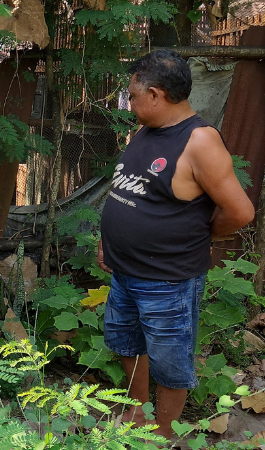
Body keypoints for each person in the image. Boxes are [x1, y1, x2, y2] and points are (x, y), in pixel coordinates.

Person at [98, 50, 254, 440]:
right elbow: (128, 191)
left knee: (171, 362)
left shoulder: (199, 141)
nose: (129, 102)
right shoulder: (146, 131)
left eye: (132, 95)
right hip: (126, 271)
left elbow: (240, 211)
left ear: (155, 94)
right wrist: (109, 240)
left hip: (167, 279)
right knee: (126, 342)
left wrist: (199, 235)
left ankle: (162, 434)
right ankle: (136, 412)